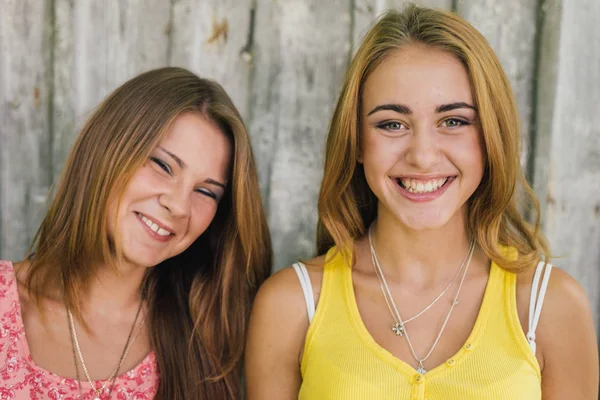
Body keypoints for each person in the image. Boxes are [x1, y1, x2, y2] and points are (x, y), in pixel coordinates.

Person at [245, 5, 598, 399]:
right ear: (358, 142)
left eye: (454, 121)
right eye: (392, 124)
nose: (423, 155)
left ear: (490, 137)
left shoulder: (549, 306)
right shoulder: (291, 305)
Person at [0, 67, 272, 399]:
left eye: (206, 192)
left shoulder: (202, 340)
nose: (179, 206)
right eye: (163, 165)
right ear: (106, 151)